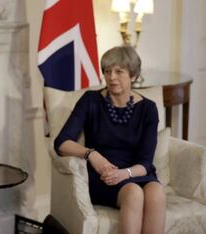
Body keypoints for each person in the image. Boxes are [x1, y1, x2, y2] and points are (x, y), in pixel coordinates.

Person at [54, 46, 166, 234]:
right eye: (107, 71)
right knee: (134, 193)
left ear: (133, 75)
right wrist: (91, 154)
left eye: (118, 71)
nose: (111, 77)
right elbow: (62, 142)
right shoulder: (91, 100)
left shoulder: (148, 109)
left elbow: (146, 162)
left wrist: (125, 173)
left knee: (156, 192)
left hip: (134, 172)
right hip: (103, 176)